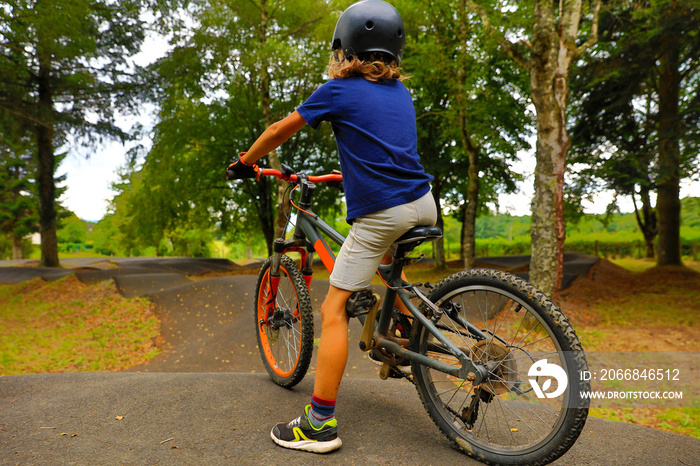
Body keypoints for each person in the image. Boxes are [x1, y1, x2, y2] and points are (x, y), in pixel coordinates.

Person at [226, 0, 436, 454]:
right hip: (424, 203)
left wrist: (246, 162)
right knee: (382, 254)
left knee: (332, 309)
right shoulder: (401, 93)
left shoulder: (337, 91)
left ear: (346, 48)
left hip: (385, 210)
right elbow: (385, 148)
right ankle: (398, 323)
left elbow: (282, 130)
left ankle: (319, 423)